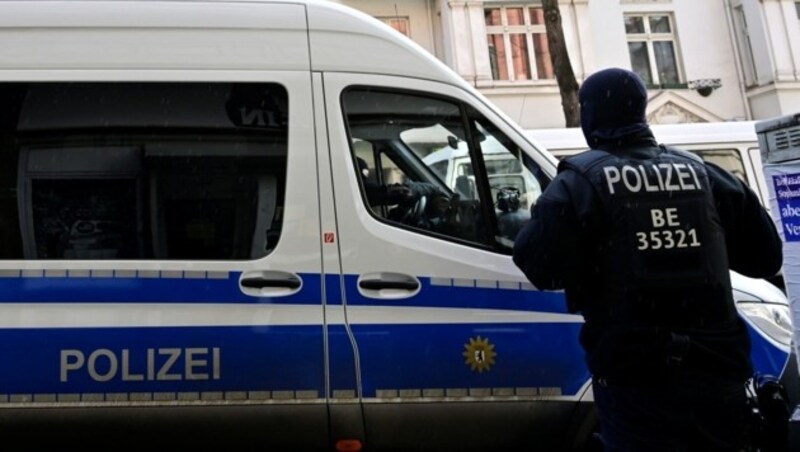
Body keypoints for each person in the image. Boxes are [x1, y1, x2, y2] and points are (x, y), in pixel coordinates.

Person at [512, 67, 783, 451]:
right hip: (717, 376)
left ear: (589, 117)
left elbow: (538, 264)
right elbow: (766, 257)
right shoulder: (705, 175)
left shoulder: (578, 185)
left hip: (637, 382)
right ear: (641, 113)